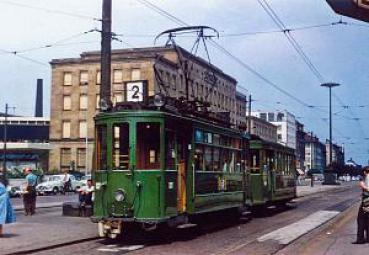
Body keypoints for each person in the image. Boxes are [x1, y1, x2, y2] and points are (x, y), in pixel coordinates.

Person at [354, 166, 369, 244]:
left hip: (366, 202)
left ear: (364, 172)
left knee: (361, 219)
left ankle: (360, 239)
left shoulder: (364, 179)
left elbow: (363, 186)